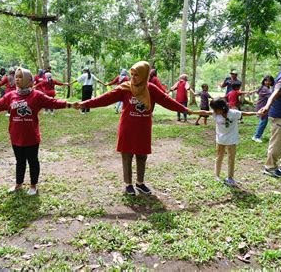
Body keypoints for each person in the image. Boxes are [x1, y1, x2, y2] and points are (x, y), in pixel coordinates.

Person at [73, 61, 192, 195]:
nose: (133, 78)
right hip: (127, 127)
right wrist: (84, 103)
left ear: (144, 75)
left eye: (137, 75)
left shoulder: (151, 89)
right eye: (132, 74)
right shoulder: (125, 88)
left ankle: (140, 183)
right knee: (127, 155)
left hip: (143, 128)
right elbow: (104, 99)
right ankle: (128, 184)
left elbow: (167, 101)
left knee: (142, 155)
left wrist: (186, 110)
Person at [0, 68, 73, 195]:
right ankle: (18, 184)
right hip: (16, 135)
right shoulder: (10, 96)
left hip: (31, 136)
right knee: (20, 161)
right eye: (16, 77)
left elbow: (53, 102)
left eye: (20, 77)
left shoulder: (37, 95)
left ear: (29, 80)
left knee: (33, 161)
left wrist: (70, 104)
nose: (17, 79)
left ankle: (33, 185)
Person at [193, 98, 257, 186]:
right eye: (213, 109)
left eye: (215, 109)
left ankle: (230, 177)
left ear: (222, 107)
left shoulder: (233, 113)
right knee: (219, 157)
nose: (214, 111)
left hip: (232, 139)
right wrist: (191, 112)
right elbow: (204, 112)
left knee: (231, 158)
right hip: (220, 140)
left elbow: (245, 114)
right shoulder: (215, 114)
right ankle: (217, 175)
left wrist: (257, 113)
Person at [251, 75, 274, 143]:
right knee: (263, 121)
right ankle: (256, 136)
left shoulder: (265, 87)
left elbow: (258, 91)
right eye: (266, 81)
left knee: (263, 121)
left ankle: (258, 135)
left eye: (269, 81)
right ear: (264, 81)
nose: (267, 82)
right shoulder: (265, 89)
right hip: (262, 107)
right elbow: (272, 95)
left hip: (262, 106)